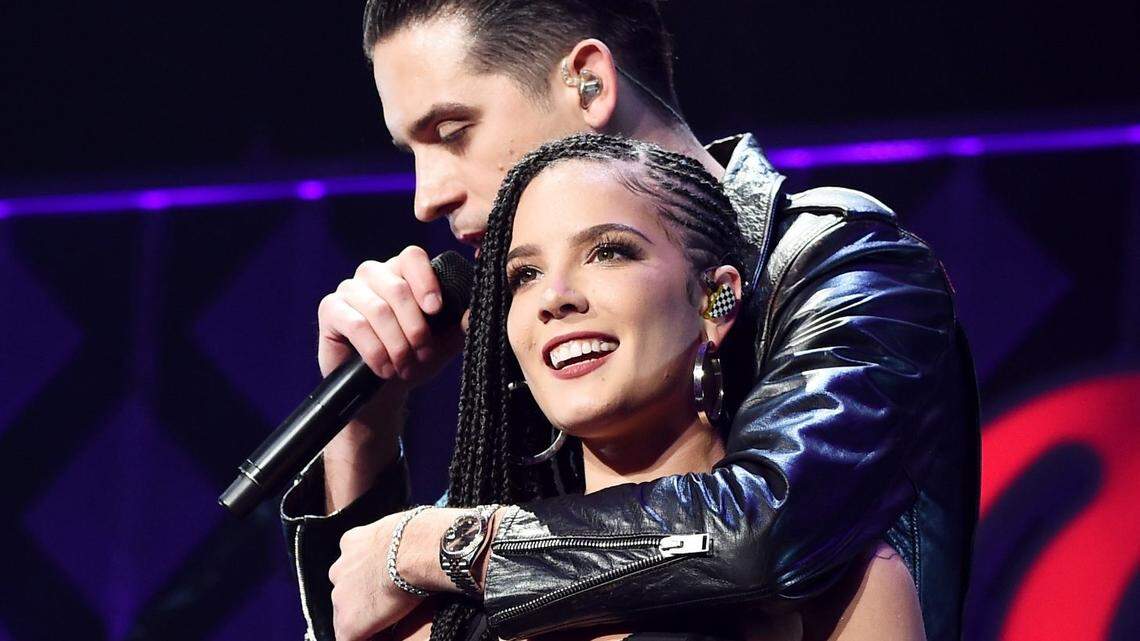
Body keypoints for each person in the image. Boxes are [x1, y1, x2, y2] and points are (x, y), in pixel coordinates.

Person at [279, 2, 979, 641]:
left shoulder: (839, 262)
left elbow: (766, 530)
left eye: (453, 131)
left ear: (589, 82)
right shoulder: (551, 342)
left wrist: (440, 547)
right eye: (525, 275)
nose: (426, 198)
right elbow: (372, 600)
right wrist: (365, 428)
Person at [337, 132, 928, 641]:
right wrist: (362, 419)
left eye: (609, 252)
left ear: (714, 301)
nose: (555, 296)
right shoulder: (442, 603)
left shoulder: (841, 588)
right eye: (525, 274)